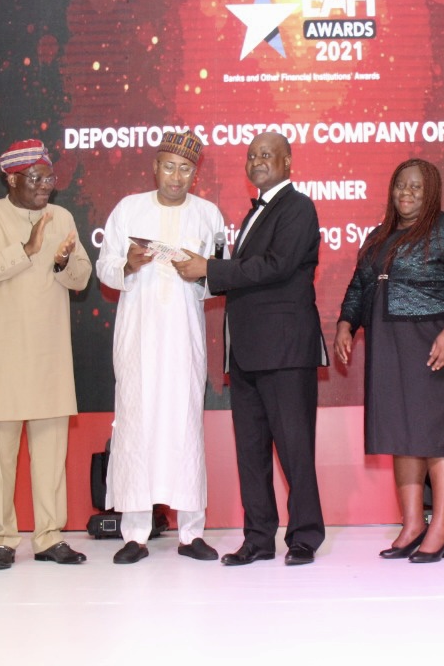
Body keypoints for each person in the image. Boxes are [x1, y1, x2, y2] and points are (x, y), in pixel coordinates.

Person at [173, 132, 327, 567]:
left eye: (267, 155)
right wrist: (207, 270)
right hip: (246, 354)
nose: (257, 161)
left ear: (288, 162)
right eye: (252, 155)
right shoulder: (255, 212)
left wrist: (210, 268)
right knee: (251, 452)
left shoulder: (298, 207)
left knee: (295, 450)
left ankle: (304, 537)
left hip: (285, 352)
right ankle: (258, 539)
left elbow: (276, 266)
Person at [336, 158, 444, 563]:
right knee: (401, 433)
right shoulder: (378, 235)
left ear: (431, 191)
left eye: (416, 186)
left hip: (433, 341)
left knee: (437, 433)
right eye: (401, 185)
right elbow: (359, 285)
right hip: (387, 343)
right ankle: (413, 524)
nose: (407, 192)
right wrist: (346, 323)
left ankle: (442, 527)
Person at [0, 139, 92, 570]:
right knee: (0, 456)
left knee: (50, 455)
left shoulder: (62, 217)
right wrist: (26, 250)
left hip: (49, 357)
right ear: (11, 179)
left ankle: (49, 537)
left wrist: (62, 262)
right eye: (35, 178)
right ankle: (2, 539)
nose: (45, 186)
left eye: (49, 178)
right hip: (3, 357)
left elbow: (81, 279)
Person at [96, 131, 225, 564]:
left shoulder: (208, 215)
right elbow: (104, 267)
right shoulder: (129, 209)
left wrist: (201, 273)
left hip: (184, 340)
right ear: (155, 167)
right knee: (136, 427)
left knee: (184, 428)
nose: (176, 176)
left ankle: (192, 533)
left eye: (185, 169)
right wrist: (127, 265)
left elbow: (220, 276)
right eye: (169, 166)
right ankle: (135, 534)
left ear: (195, 173)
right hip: (138, 339)